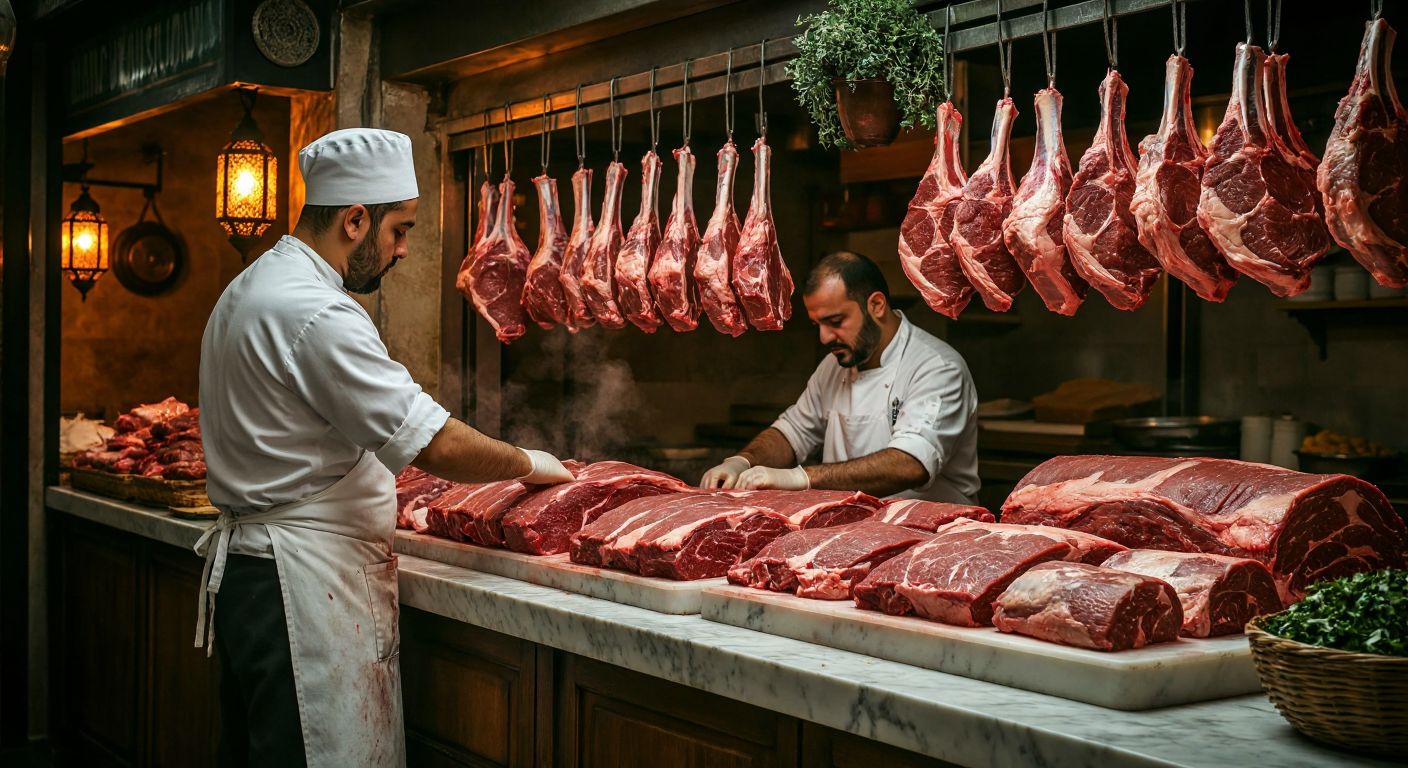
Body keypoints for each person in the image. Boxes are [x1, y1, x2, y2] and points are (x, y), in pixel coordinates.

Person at [195, 128, 574, 768]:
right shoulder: (316, 310)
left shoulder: (253, 286)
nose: (402, 250)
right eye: (399, 230)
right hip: (299, 588)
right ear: (354, 220)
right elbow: (435, 443)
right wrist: (529, 464)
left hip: (259, 576)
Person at [701, 251, 979, 504]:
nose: (824, 338)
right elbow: (793, 432)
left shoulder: (936, 367)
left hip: (933, 533)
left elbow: (911, 464)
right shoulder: (834, 367)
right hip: (852, 529)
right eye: (817, 325)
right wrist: (742, 461)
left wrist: (801, 478)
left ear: (876, 305)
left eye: (835, 322)